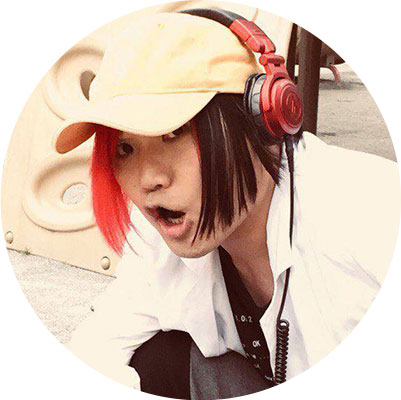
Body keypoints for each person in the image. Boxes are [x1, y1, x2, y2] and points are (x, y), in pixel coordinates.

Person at [54, 9, 400, 399]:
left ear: (260, 119)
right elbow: (97, 347)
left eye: (175, 131)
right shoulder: (157, 242)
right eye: (125, 148)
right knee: (156, 357)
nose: (148, 179)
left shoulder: (372, 214)